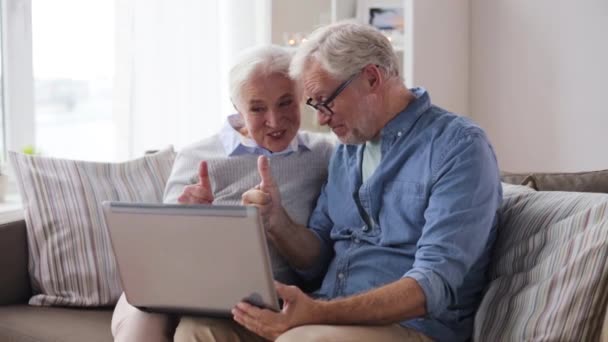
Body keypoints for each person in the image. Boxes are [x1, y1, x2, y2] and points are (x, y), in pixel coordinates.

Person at [228, 22, 502, 342]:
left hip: (413, 329)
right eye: (314, 105)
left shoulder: (458, 147)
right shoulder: (347, 149)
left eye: (324, 101)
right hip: (325, 316)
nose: (321, 119)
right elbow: (315, 261)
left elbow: (431, 285)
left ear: (371, 78)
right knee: (202, 330)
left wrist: (316, 313)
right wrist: (277, 222)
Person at [110, 45, 334, 342]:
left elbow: (320, 257)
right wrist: (185, 220)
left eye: (285, 103)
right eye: (257, 108)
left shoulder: (323, 155)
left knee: (194, 329)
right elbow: (163, 254)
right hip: (184, 290)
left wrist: (275, 219)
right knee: (143, 315)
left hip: (263, 302)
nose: (275, 120)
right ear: (236, 106)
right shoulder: (197, 156)